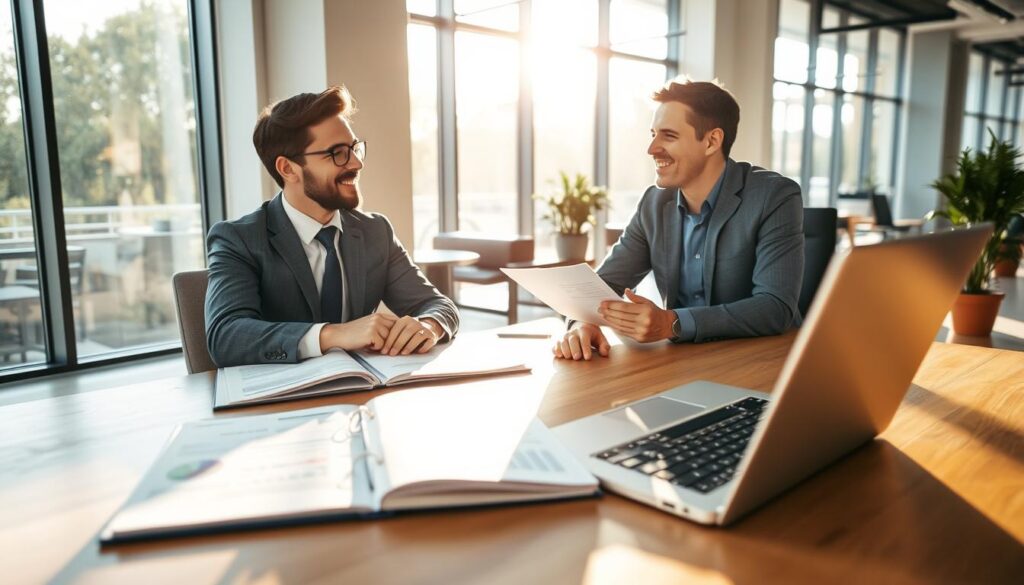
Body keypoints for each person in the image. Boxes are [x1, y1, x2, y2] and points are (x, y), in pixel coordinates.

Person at [205, 85, 458, 367]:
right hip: (282, 398)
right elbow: (226, 337)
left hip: (365, 395)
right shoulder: (238, 239)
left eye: (354, 148)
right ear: (288, 169)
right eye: (337, 153)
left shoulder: (376, 231)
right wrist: (333, 335)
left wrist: (430, 325)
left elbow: (439, 306)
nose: (356, 163)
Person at [555, 78, 803, 361]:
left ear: (711, 141)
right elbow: (605, 283)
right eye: (653, 134)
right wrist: (582, 324)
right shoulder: (654, 203)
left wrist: (672, 322)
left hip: (759, 362)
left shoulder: (774, 196)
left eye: (668, 136)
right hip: (681, 361)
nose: (652, 149)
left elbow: (774, 308)